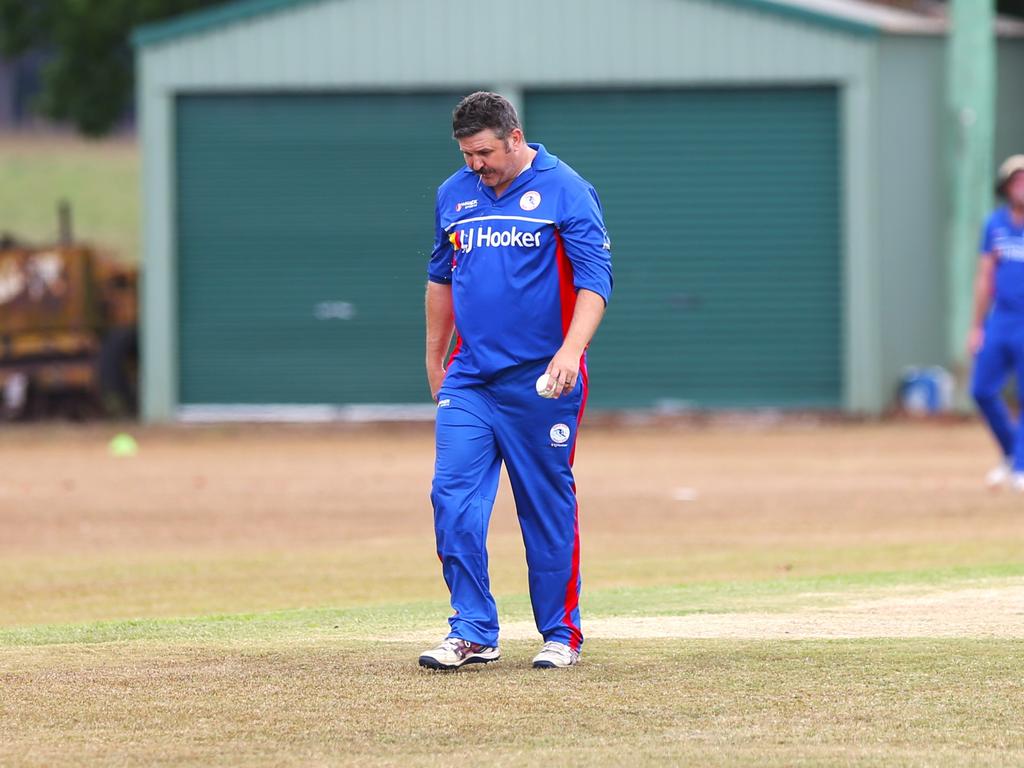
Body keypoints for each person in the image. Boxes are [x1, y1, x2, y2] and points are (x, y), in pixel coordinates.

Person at [419, 92, 613, 670]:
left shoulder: (567, 189)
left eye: (483, 152)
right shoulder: (453, 194)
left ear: (514, 136)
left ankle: (561, 634)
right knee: (450, 497)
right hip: (471, 378)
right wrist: (435, 359)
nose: (475, 165)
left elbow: (595, 283)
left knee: (543, 506)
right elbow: (440, 279)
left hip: (542, 382)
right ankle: (473, 630)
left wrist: (570, 353)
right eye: (466, 154)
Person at [969, 154, 1024, 489]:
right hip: (1001, 319)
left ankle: (1020, 467)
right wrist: (976, 326)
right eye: (1016, 181)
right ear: (1006, 187)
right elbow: (985, 276)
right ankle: (1011, 454)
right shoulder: (995, 225)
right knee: (982, 389)